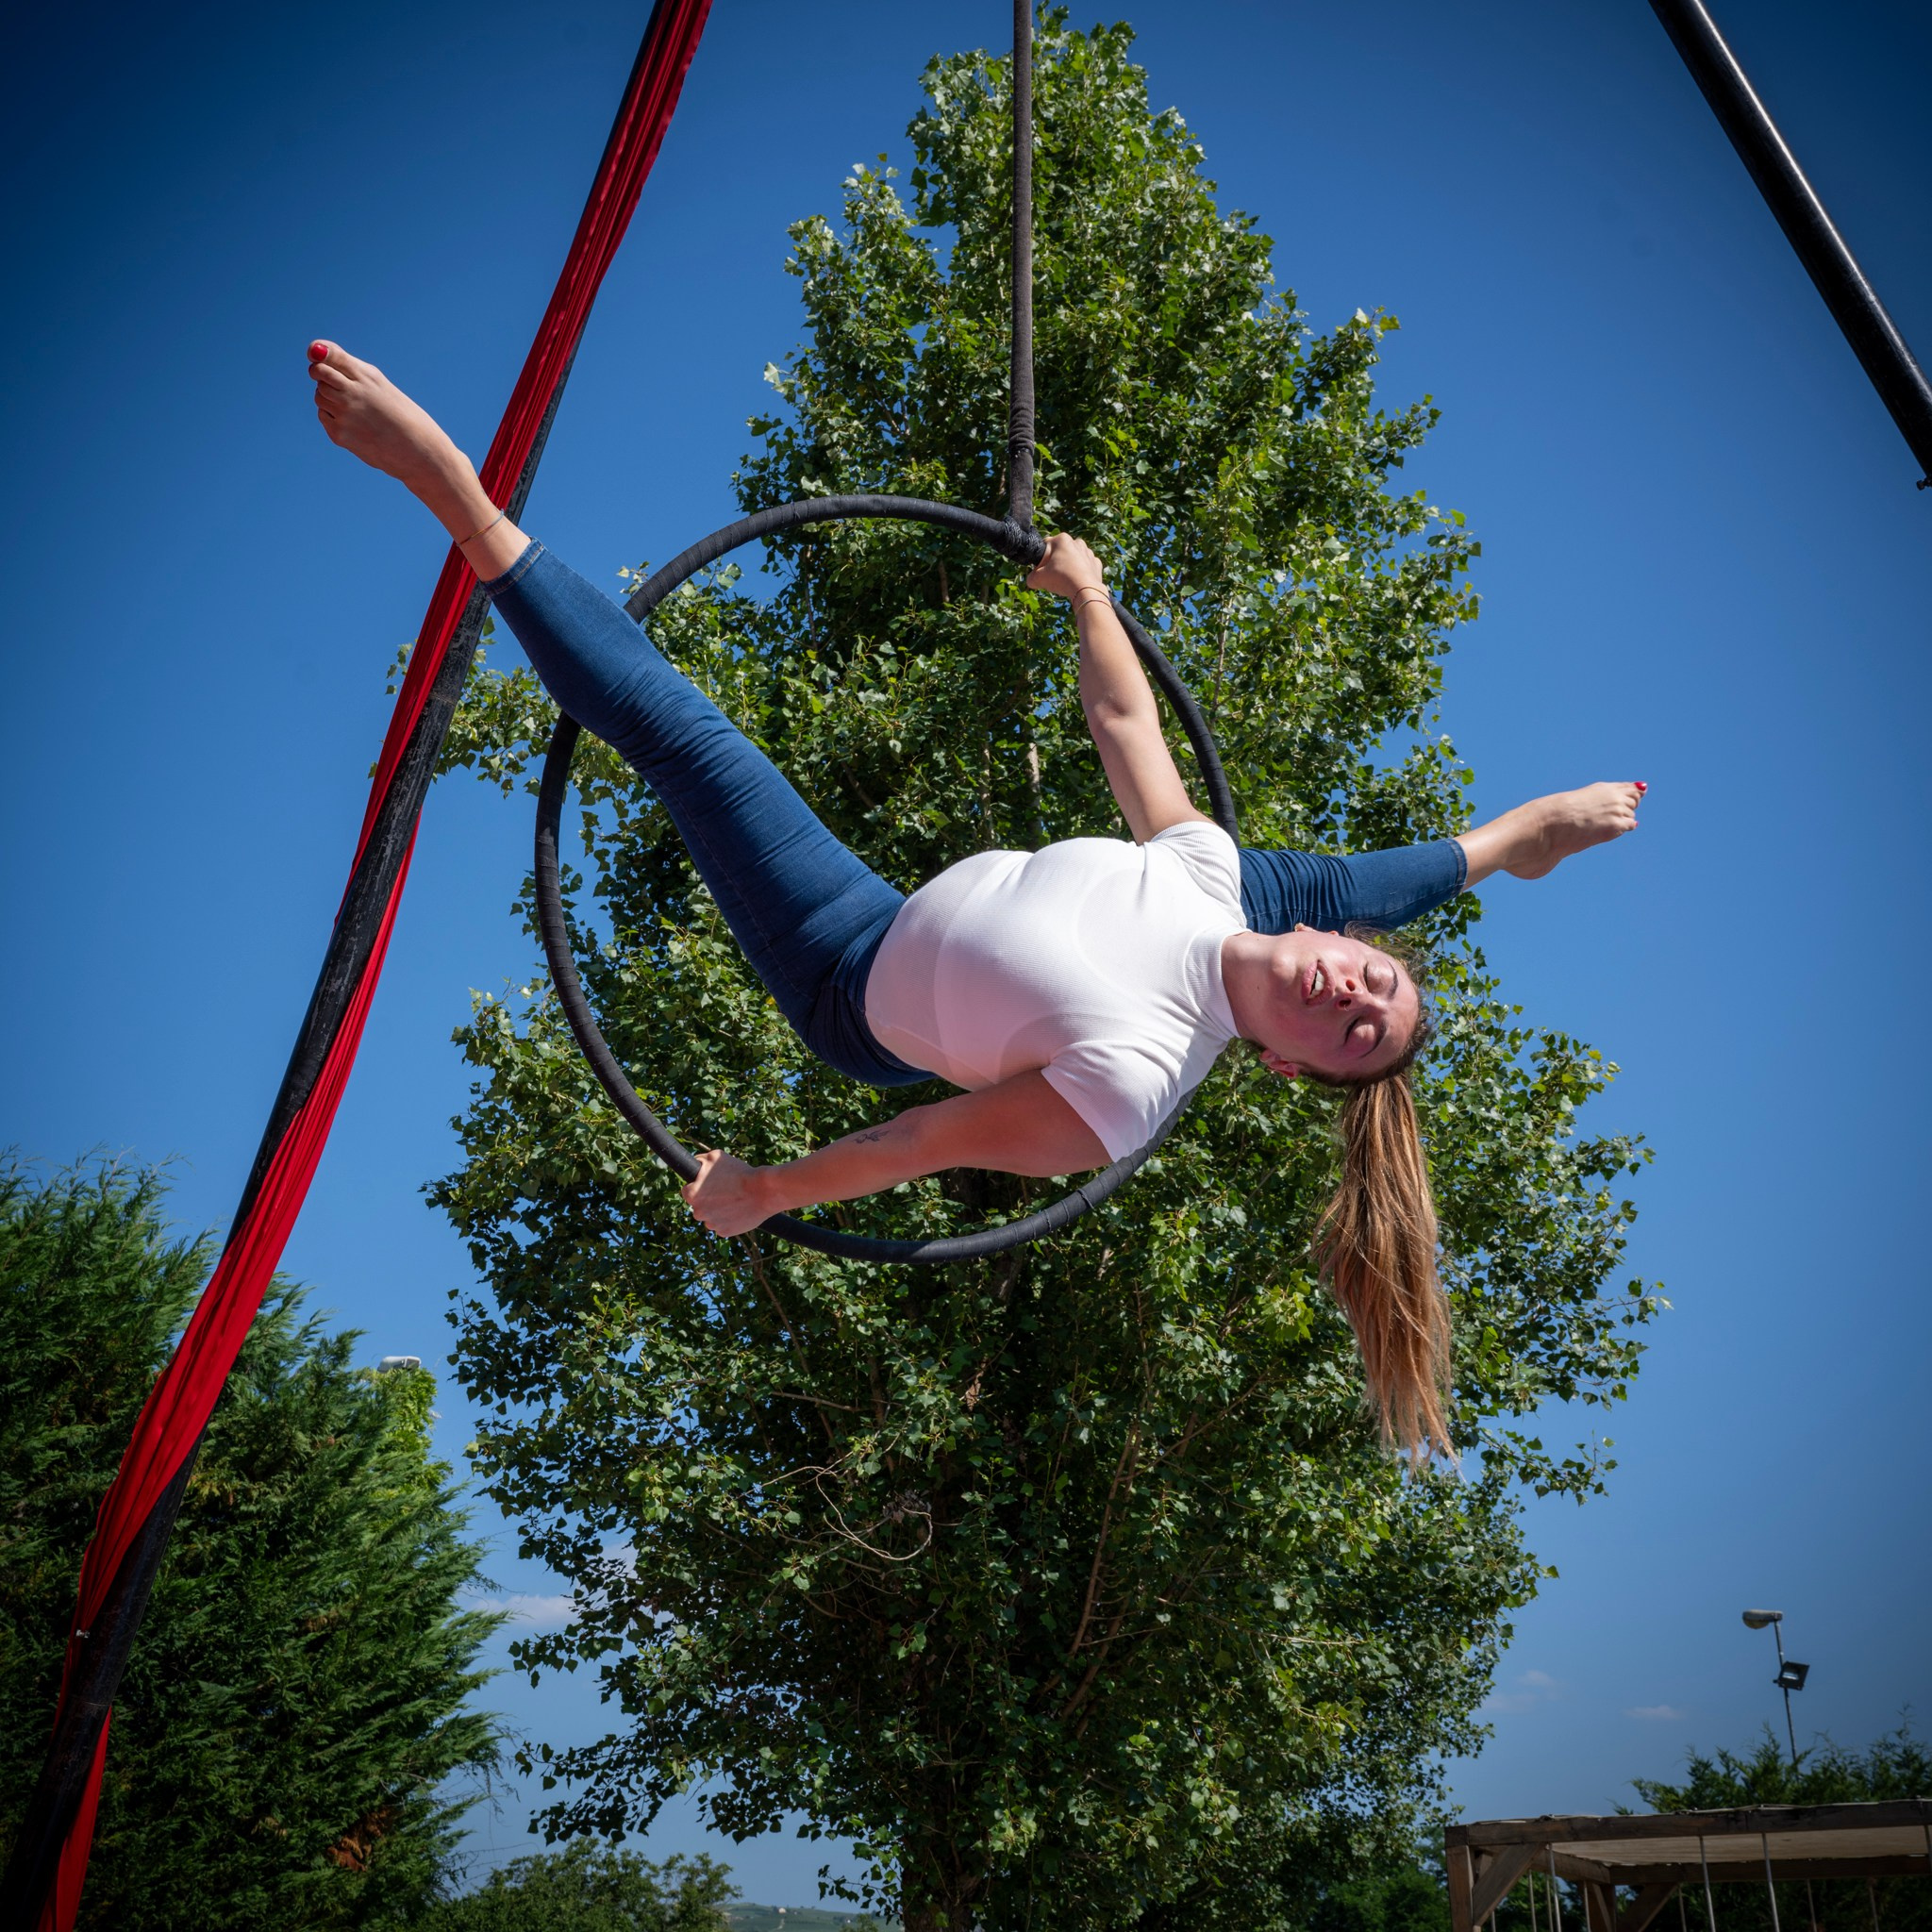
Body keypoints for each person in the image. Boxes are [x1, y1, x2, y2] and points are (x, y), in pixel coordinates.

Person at [307, 340, 1641, 1453]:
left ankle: (448, 487)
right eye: (1373, 980)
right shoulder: (1217, 875)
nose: (1352, 999)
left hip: (849, 980)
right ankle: (1518, 838)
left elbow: (920, 1145)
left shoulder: (1131, 1087)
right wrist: (1090, 595)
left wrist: (768, 1190)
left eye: (1352, 1035)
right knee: (1415, 863)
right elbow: (1125, 725)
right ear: (1333, 943)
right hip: (895, 908)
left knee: (688, 744)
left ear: (1290, 1072)